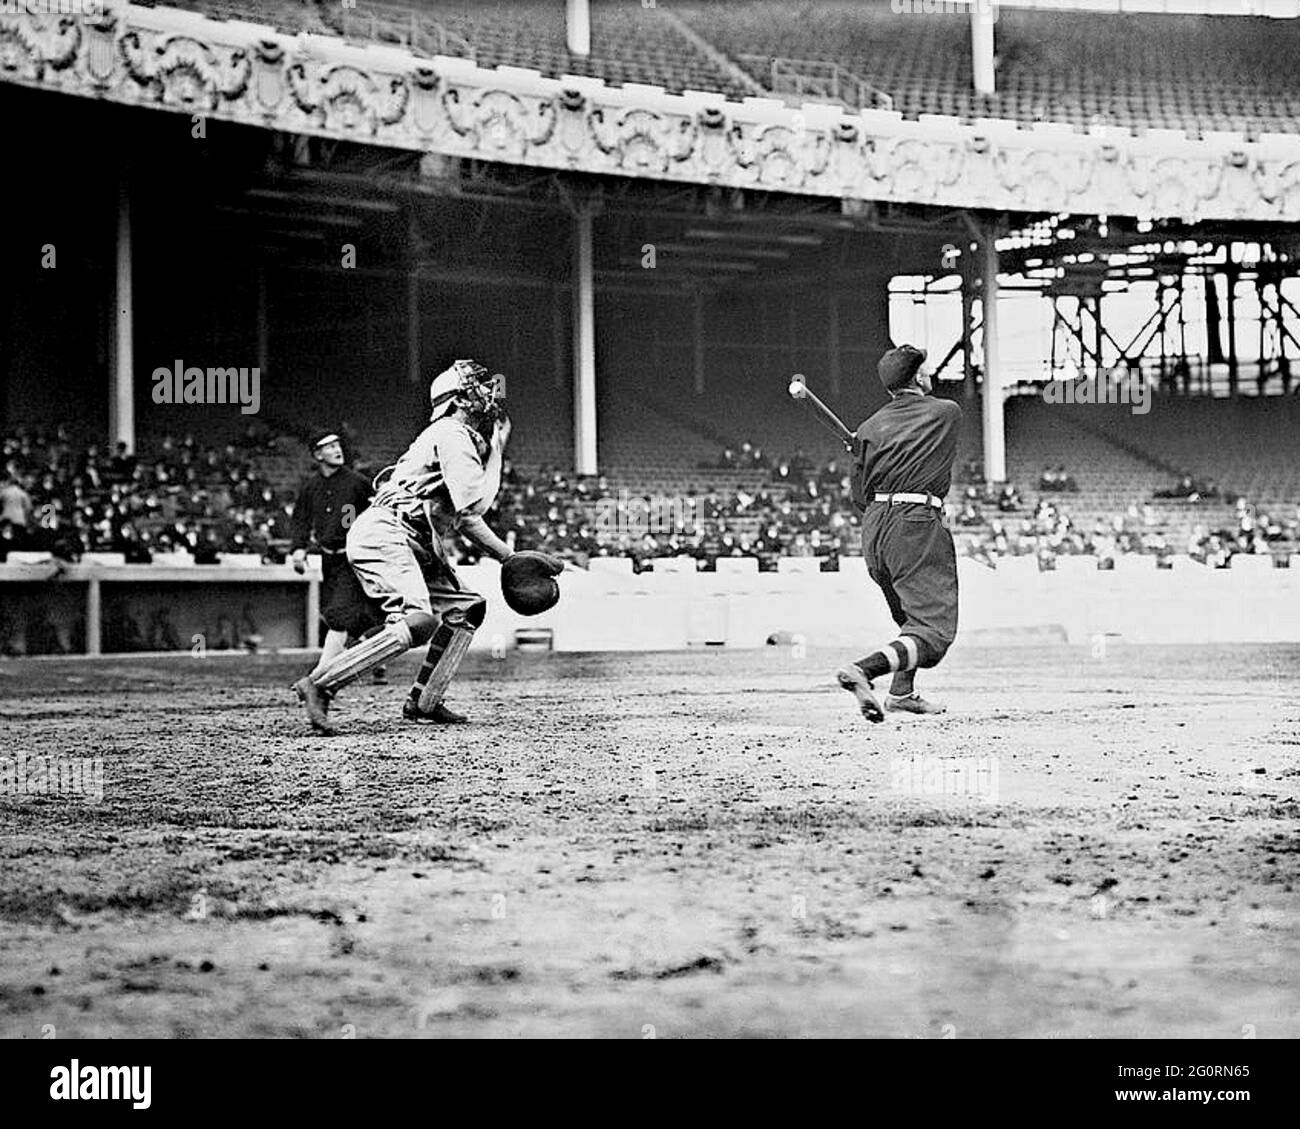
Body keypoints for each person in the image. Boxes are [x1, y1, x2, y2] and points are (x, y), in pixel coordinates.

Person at [293, 360, 561, 734]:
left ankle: (425, 700)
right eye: (473, 389)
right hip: (387, 529)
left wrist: (507, 555)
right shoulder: (452, 432)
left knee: (467, 608)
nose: (483, 393)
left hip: (413, 534)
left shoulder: (461, 438)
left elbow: (466, 514)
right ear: (455, 401)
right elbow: (472, 511)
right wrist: (508, 554)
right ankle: (321, 684)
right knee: (419, 620)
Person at [836, 345, 961, 720]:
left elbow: (859, 496)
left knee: (910, 621)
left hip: (875, 528)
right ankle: (864, 670)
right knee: (933, 634)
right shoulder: (946, 412)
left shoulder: (870, 428)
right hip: (915, 525)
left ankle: (902, 693)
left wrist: (860, 451)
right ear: (920, 378)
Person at [290, 431, 384, 685]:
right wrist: (298, 549)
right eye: (328, 447)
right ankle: (368, 652)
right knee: (350, 617)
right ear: (317, 455)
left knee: (340, 615)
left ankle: (319, 678)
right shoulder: (310, 487)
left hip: (355, 558)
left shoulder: (359, 483)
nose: (336, 449)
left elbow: (378, 515)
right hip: (328, 560)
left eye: (337, 445)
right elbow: (300, 520)